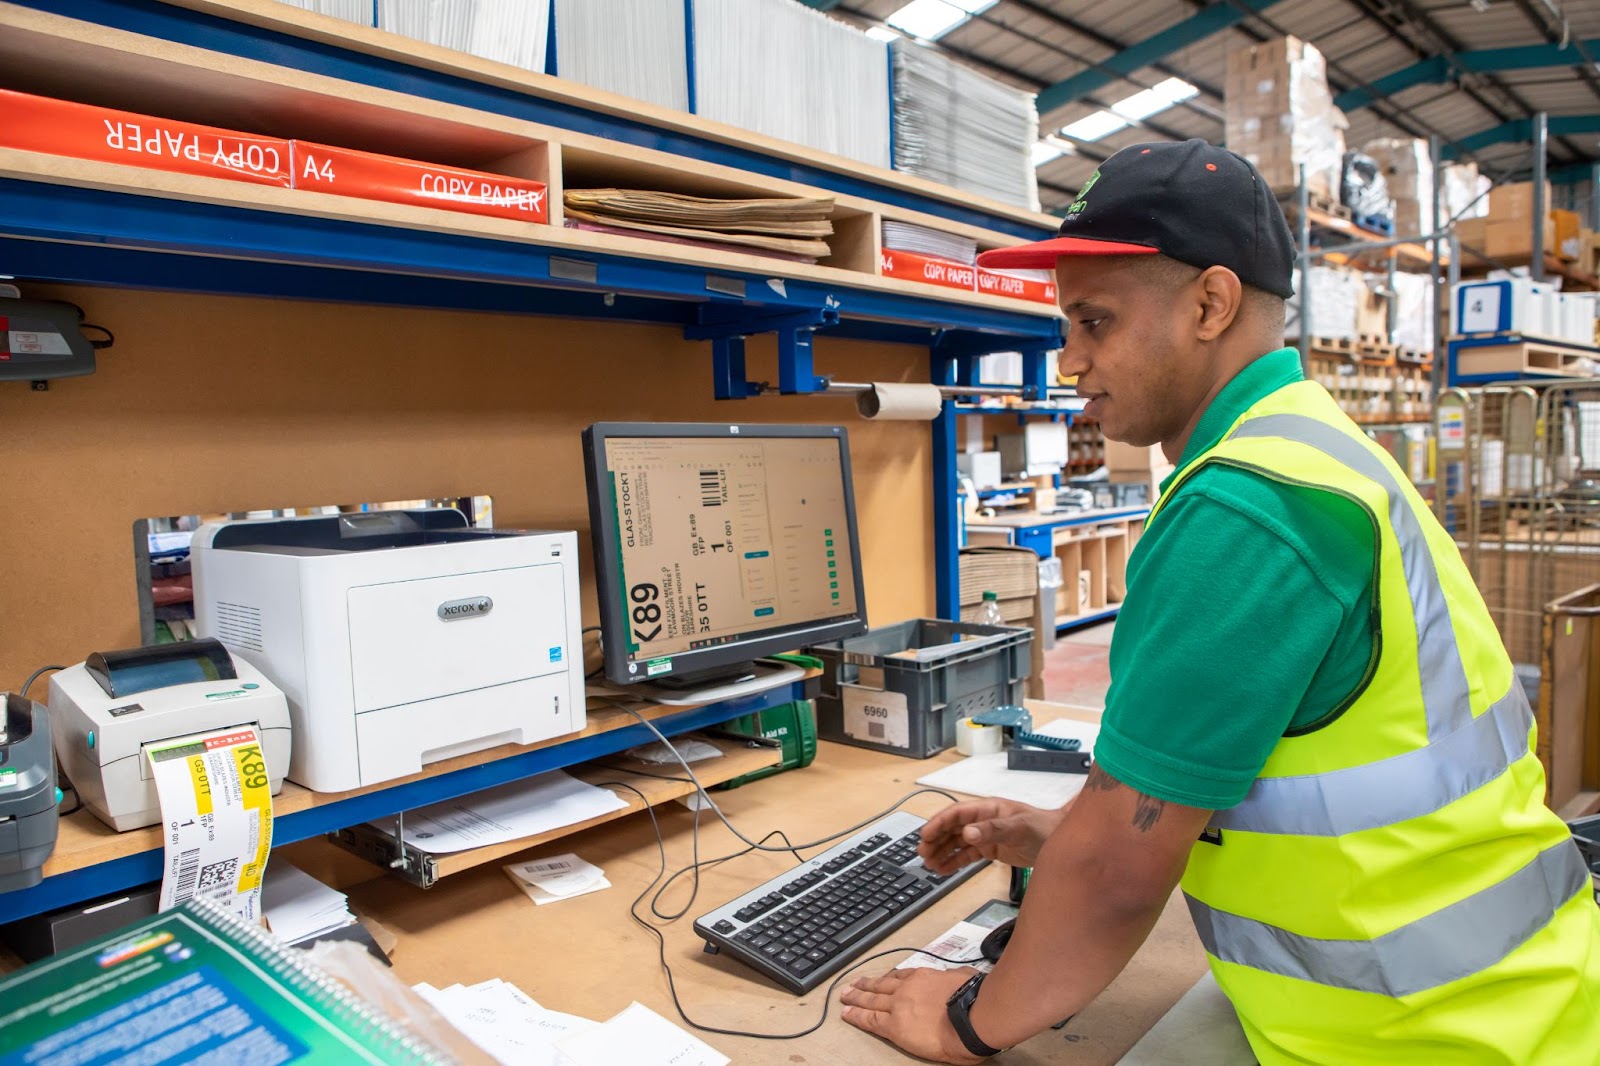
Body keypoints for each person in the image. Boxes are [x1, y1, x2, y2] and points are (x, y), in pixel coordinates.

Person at [839, 139, 1600, 1064]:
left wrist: (967, 1019)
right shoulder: (1308, 448)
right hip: (1511, 1003)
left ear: (1210, 303)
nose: (1068, 355)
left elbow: (1123, 872)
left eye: (1094, 321)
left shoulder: (1246, 507)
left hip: (1433, 1038)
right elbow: (1274, 777)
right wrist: (1062, 832)